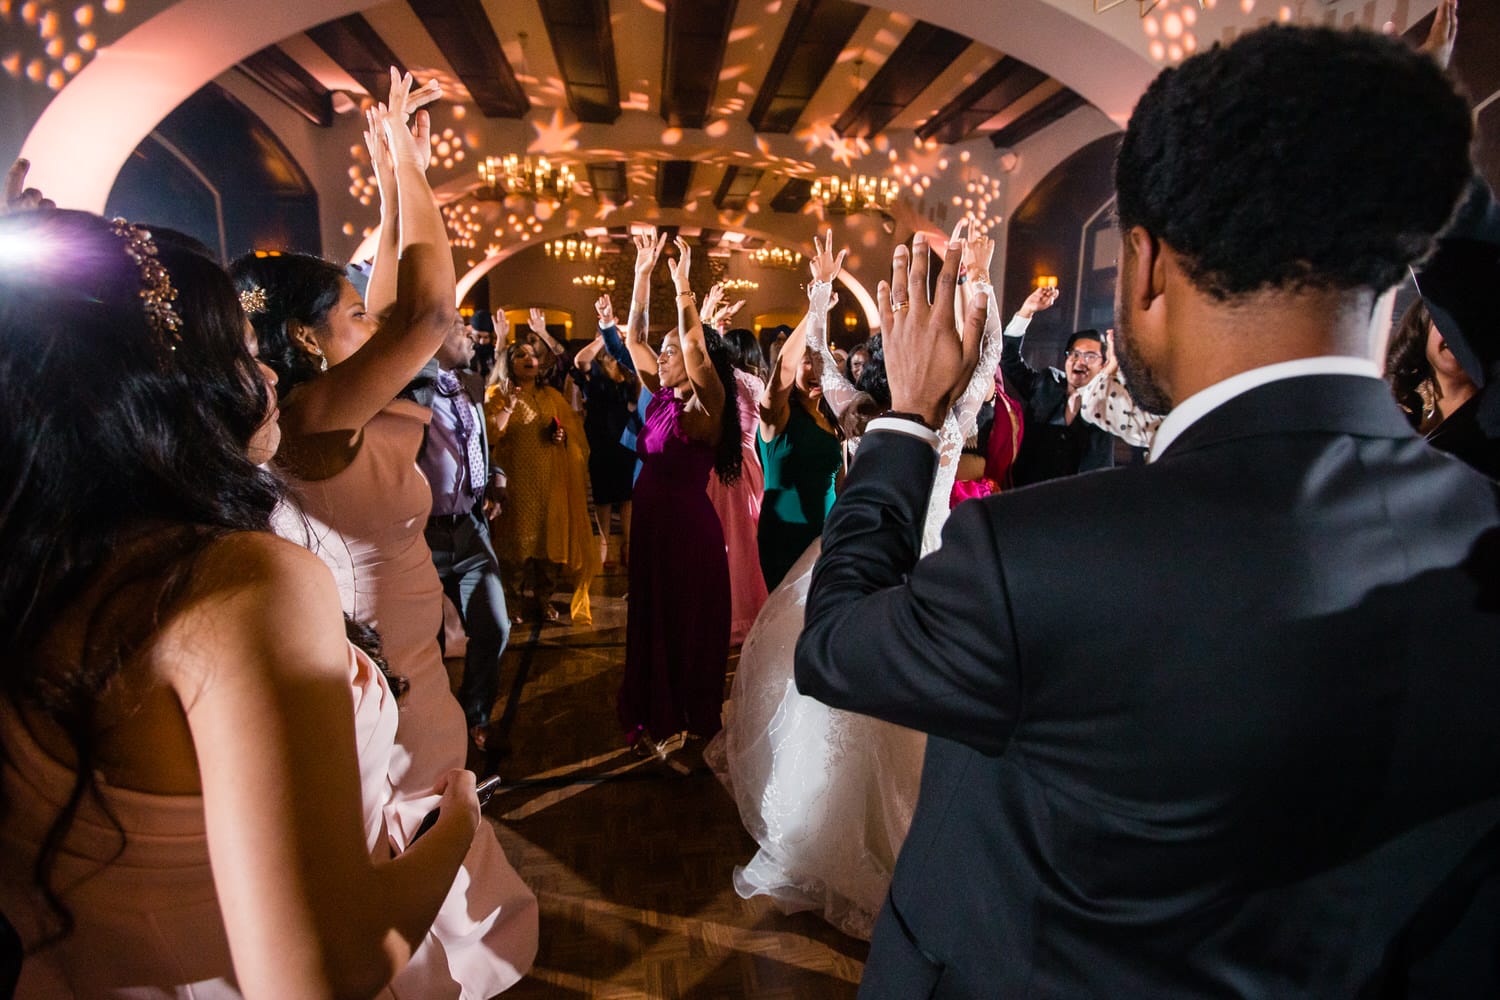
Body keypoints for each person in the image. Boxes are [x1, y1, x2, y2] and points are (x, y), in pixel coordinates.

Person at [795, 25, 1498, 997]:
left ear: (1148, 264)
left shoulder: (1041, 555)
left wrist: (909, 417)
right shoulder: (1483, 536)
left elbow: (835, 643)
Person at [0, 205, 481, 997]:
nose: (265, 379)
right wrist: (458, 814)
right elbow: (324, 974)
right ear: (165, 385)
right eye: (243, 352)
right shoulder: (237, 587)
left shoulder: (38, 577)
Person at [234, 72, 536, 995]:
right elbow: (430, 314)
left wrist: (391, 159)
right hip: (389, 663)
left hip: (396, 636)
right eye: (351, 316)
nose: (372, 325)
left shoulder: (316, 404)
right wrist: (405, 158)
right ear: (306, 339)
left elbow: (400, 298)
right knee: (423, 827)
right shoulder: (317, 417)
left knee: (419, 819)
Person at [617, 229, 742, 755]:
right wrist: (642, 276)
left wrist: (684, 284)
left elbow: (693, 344)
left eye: (670, 352)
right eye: (662, 352)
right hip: (652, 536)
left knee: (684, 630)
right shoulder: (663, 396)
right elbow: (631, 337)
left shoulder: (704, 407)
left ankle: (688, 722)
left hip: (686, 539)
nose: (661, 357)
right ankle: (656, 716)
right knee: (654, 625)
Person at [407, 317, 514, 753]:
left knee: (494, 627)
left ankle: (475, 718)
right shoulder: (411, 388)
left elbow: (478, 449)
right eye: (459, 328)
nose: (471, 335)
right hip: (421, 538)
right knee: (422, 646)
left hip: (471, 530)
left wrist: (496, 480)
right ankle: (427, 730)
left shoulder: (468, 383)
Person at [484, 338, 598, 625]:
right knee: (517, 546)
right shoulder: (497, 393)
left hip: (550, 481)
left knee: (549, 544)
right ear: (508, 363)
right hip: (517, 483)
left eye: (533, 355)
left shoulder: (550, 396)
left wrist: (561, 437)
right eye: (520, 354)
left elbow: (572, 433)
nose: (529, 359)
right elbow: (490, 436)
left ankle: (545, 599)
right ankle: (513, 604)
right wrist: (508, 406)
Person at [757, 248, 845, 589]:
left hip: (825, 539)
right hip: (784, 537)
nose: (815, 369)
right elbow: (782, 370)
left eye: (822, 361)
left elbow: (840, 485)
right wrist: (817, 303)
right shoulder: (777, 416)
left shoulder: (833, 420)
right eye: (808, 361)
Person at [1000, 286, 1123, 485]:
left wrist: (1114, 367)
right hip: (1026, 496)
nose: (1079, 361)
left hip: (1080, 504)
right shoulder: (1046, 384)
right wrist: (1027, 311)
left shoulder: (1109, 398)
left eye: (1090, 356)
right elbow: (1008, 359)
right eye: (1074, 354)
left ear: (1104, 364)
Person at [703, 292, 770, 644]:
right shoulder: (756, 383)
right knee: (746, 542)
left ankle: (722, 612)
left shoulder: (722, 382)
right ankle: (747, 612)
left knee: (723, 541)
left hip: (723, 466)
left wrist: (711, 320)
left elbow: (701, 354)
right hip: (750, 464)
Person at [571, 299, 642, 570]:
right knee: (603, 495)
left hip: (626, 437)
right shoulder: (594, 371)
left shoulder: (626, 371)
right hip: (601, 437)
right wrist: (604, 336)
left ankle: (627, 545)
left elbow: (637, 398)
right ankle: (602, 543)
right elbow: (581, 359)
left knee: (626, 495)